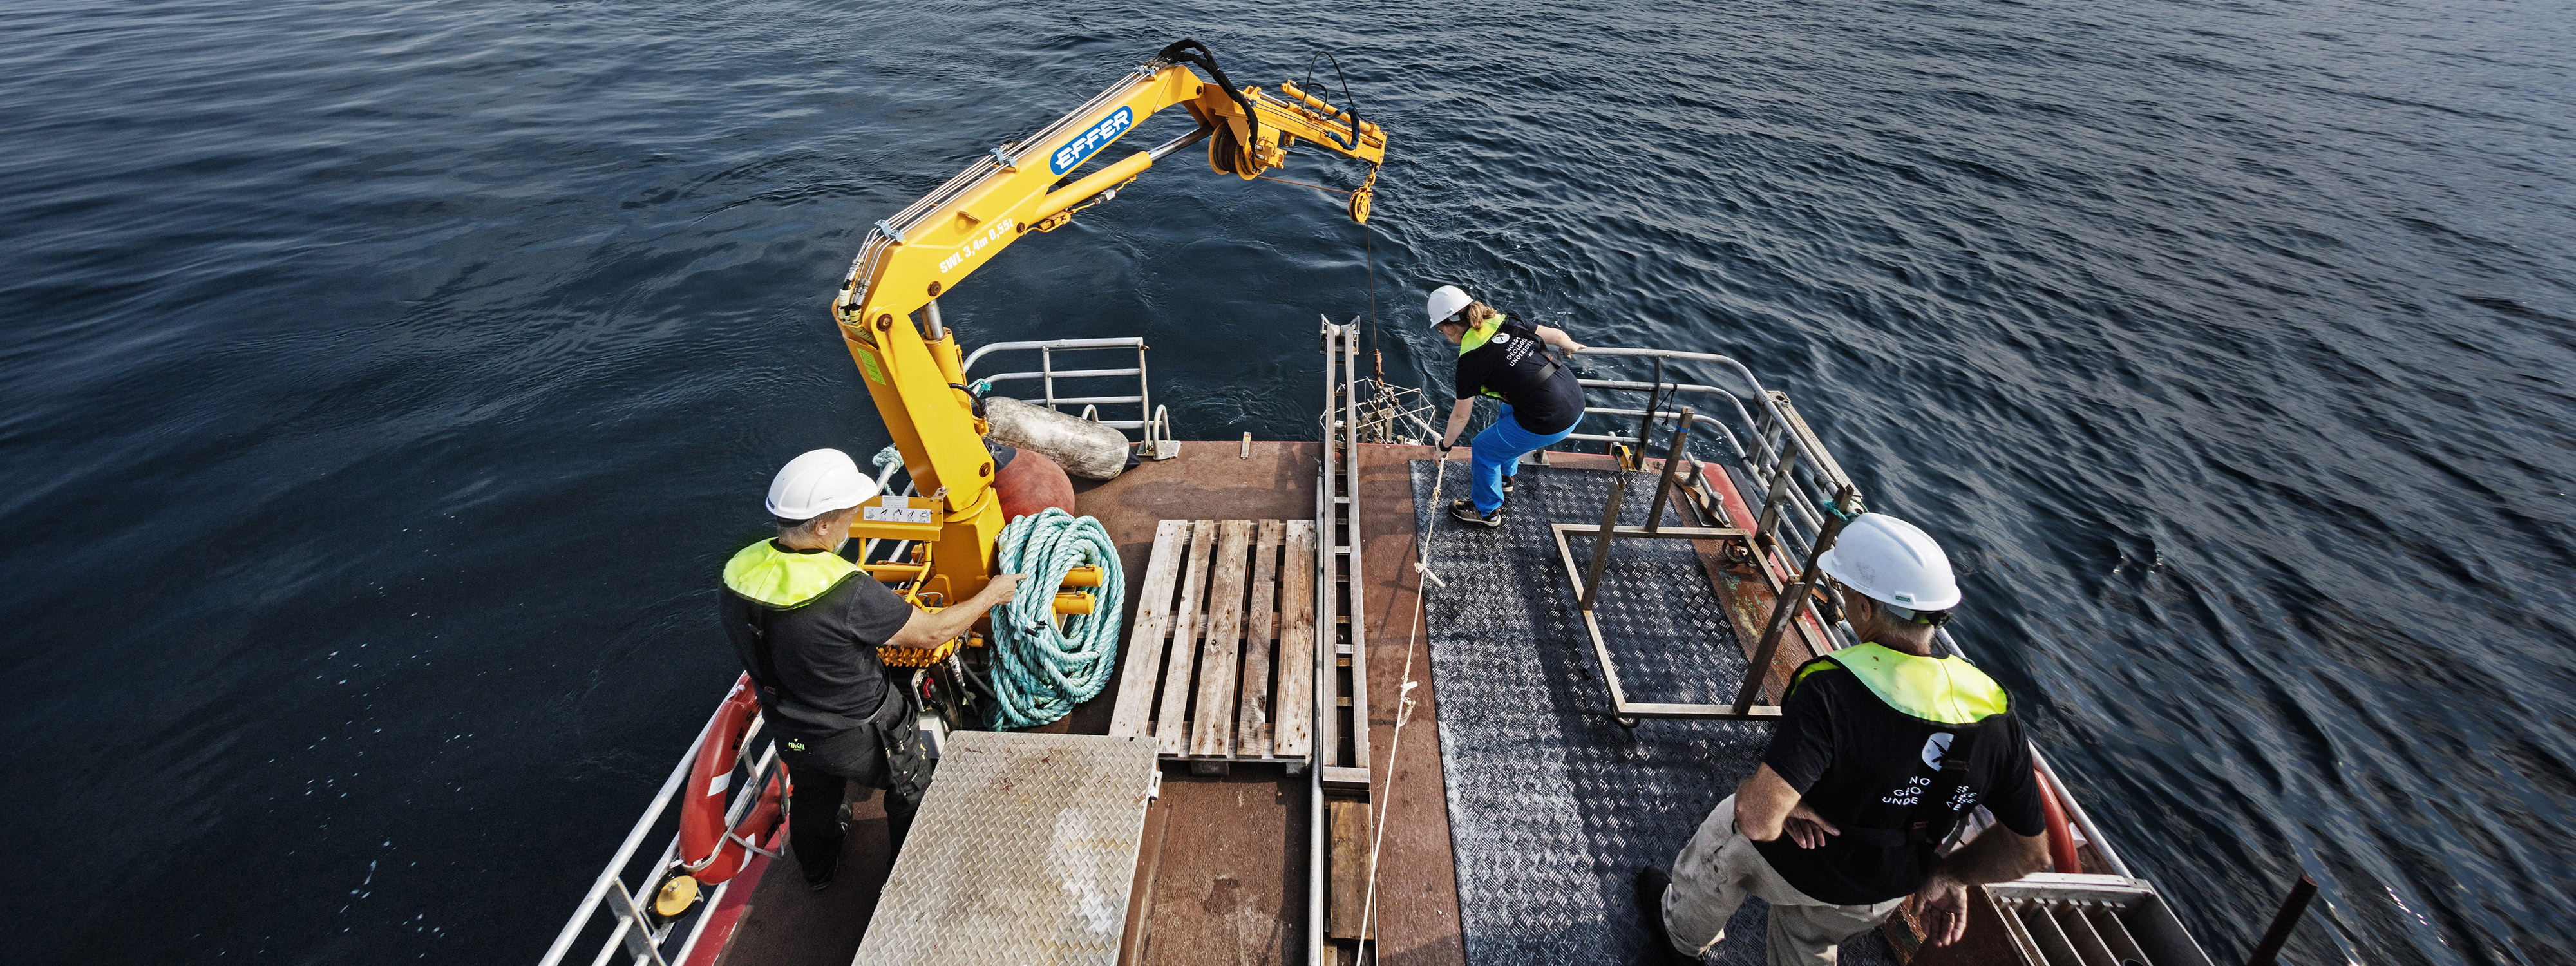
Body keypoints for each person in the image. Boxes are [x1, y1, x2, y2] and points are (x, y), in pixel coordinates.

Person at [1638, 513, 2052, 965]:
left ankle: (1681, 937)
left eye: (1846, 589)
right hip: (1883, 890)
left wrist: (1785, 803)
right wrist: (1951, 876)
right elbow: (2030, 853)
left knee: (1732, 821)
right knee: (1810, 941)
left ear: (1865, 608)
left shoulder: (1831, 689)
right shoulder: (1997, 714)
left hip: (1800, 860)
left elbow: (1758, 819)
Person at [718, 448, 1025, 889]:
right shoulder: (848, 594)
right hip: (859, 731)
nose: (854, 519)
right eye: (848, 512)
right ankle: (906, 883)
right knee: (912, 783)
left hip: (788, 725)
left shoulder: (736, 574)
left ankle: (818, 873)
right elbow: (934, 632)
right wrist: (992, 594)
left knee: (813, 793)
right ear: (822, 527)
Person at [1426, 285, 1587, 527]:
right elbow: (1557, 337)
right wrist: (1570, 345)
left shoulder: (1470, 361)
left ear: (1449, 326)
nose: (1443, 334)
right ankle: (1505, 478)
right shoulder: (1507, 320)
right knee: (1507, 411)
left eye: (1440, 329)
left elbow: (1461, 416)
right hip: (1575, 397)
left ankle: (1487, 512)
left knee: (1483, 448)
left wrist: (1444, 446)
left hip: (1552, 420)